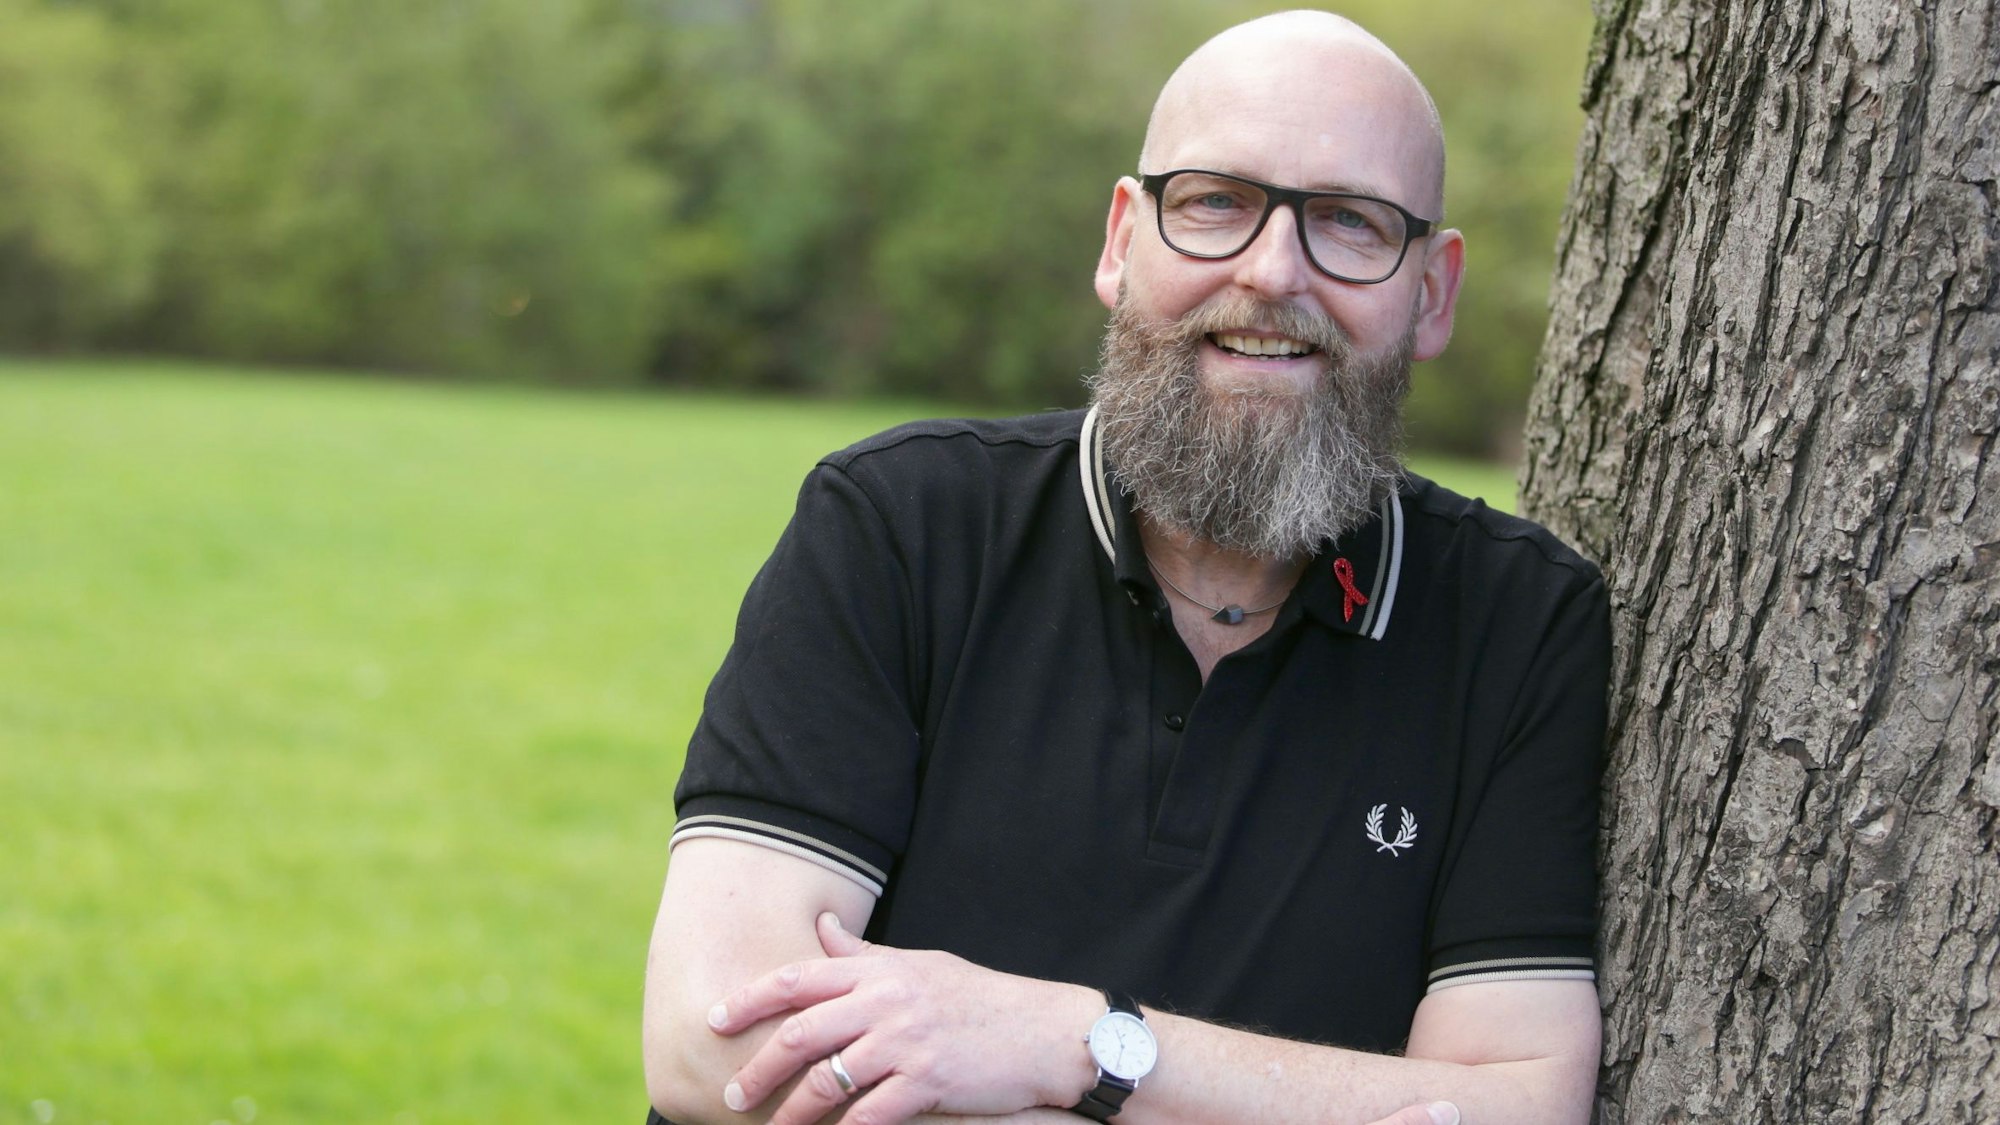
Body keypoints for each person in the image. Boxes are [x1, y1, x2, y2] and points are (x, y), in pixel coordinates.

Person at [643, 10, 1609, 1125]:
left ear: (1430, 292)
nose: (1271, 270)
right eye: (1215, 202)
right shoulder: (898, 527)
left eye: (1349, 223)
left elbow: (1511, 1107)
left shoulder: (1519, 624)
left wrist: (1074, 1045)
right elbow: (717, 1046)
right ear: (1119, 240)